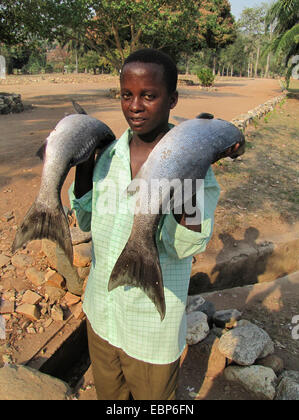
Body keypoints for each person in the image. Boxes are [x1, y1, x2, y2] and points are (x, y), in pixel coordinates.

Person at [69, 48, 221, 400]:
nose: (135, 106)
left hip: (151, 326)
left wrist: (191, 167)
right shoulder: (109, 155)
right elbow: (87, 218)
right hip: (102, 314)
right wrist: (83, 166)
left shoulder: (196, 169)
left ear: (172, 99)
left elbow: (184, 245)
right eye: (127, 95)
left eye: (149, 96)